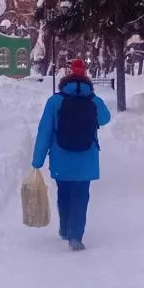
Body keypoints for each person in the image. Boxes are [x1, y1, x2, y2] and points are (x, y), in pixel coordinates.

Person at [31, 58, 112, 251]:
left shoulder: (55, 101)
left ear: (65, 80)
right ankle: (75, 236)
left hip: (61, 157)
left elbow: (45, 131)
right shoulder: (93, 100)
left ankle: (65, 229)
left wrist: (37, 160)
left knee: (64, 193)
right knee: (81, 196)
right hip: (86, 159)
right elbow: (105, 118)